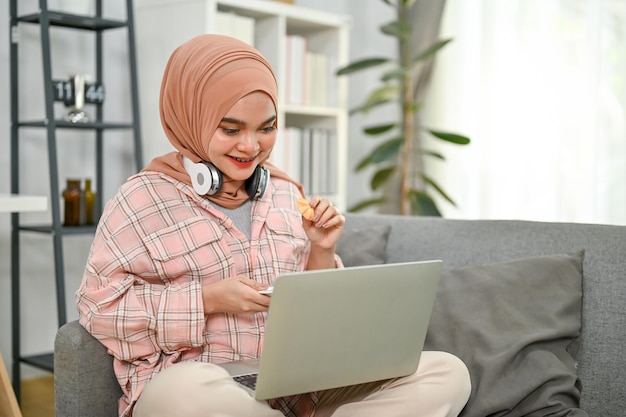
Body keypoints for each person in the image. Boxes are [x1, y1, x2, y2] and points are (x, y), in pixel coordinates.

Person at [75, 34, 471, 417]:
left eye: (266, 128)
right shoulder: (140, 200)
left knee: (447, 373)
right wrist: (208, 300)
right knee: (183, 394)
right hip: (205, 392)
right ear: (190, 117)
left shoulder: (285, 192)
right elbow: (99, 311)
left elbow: (322, 320)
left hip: (302, 392)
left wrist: (322, 250)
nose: (251, 147)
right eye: (231, 129)